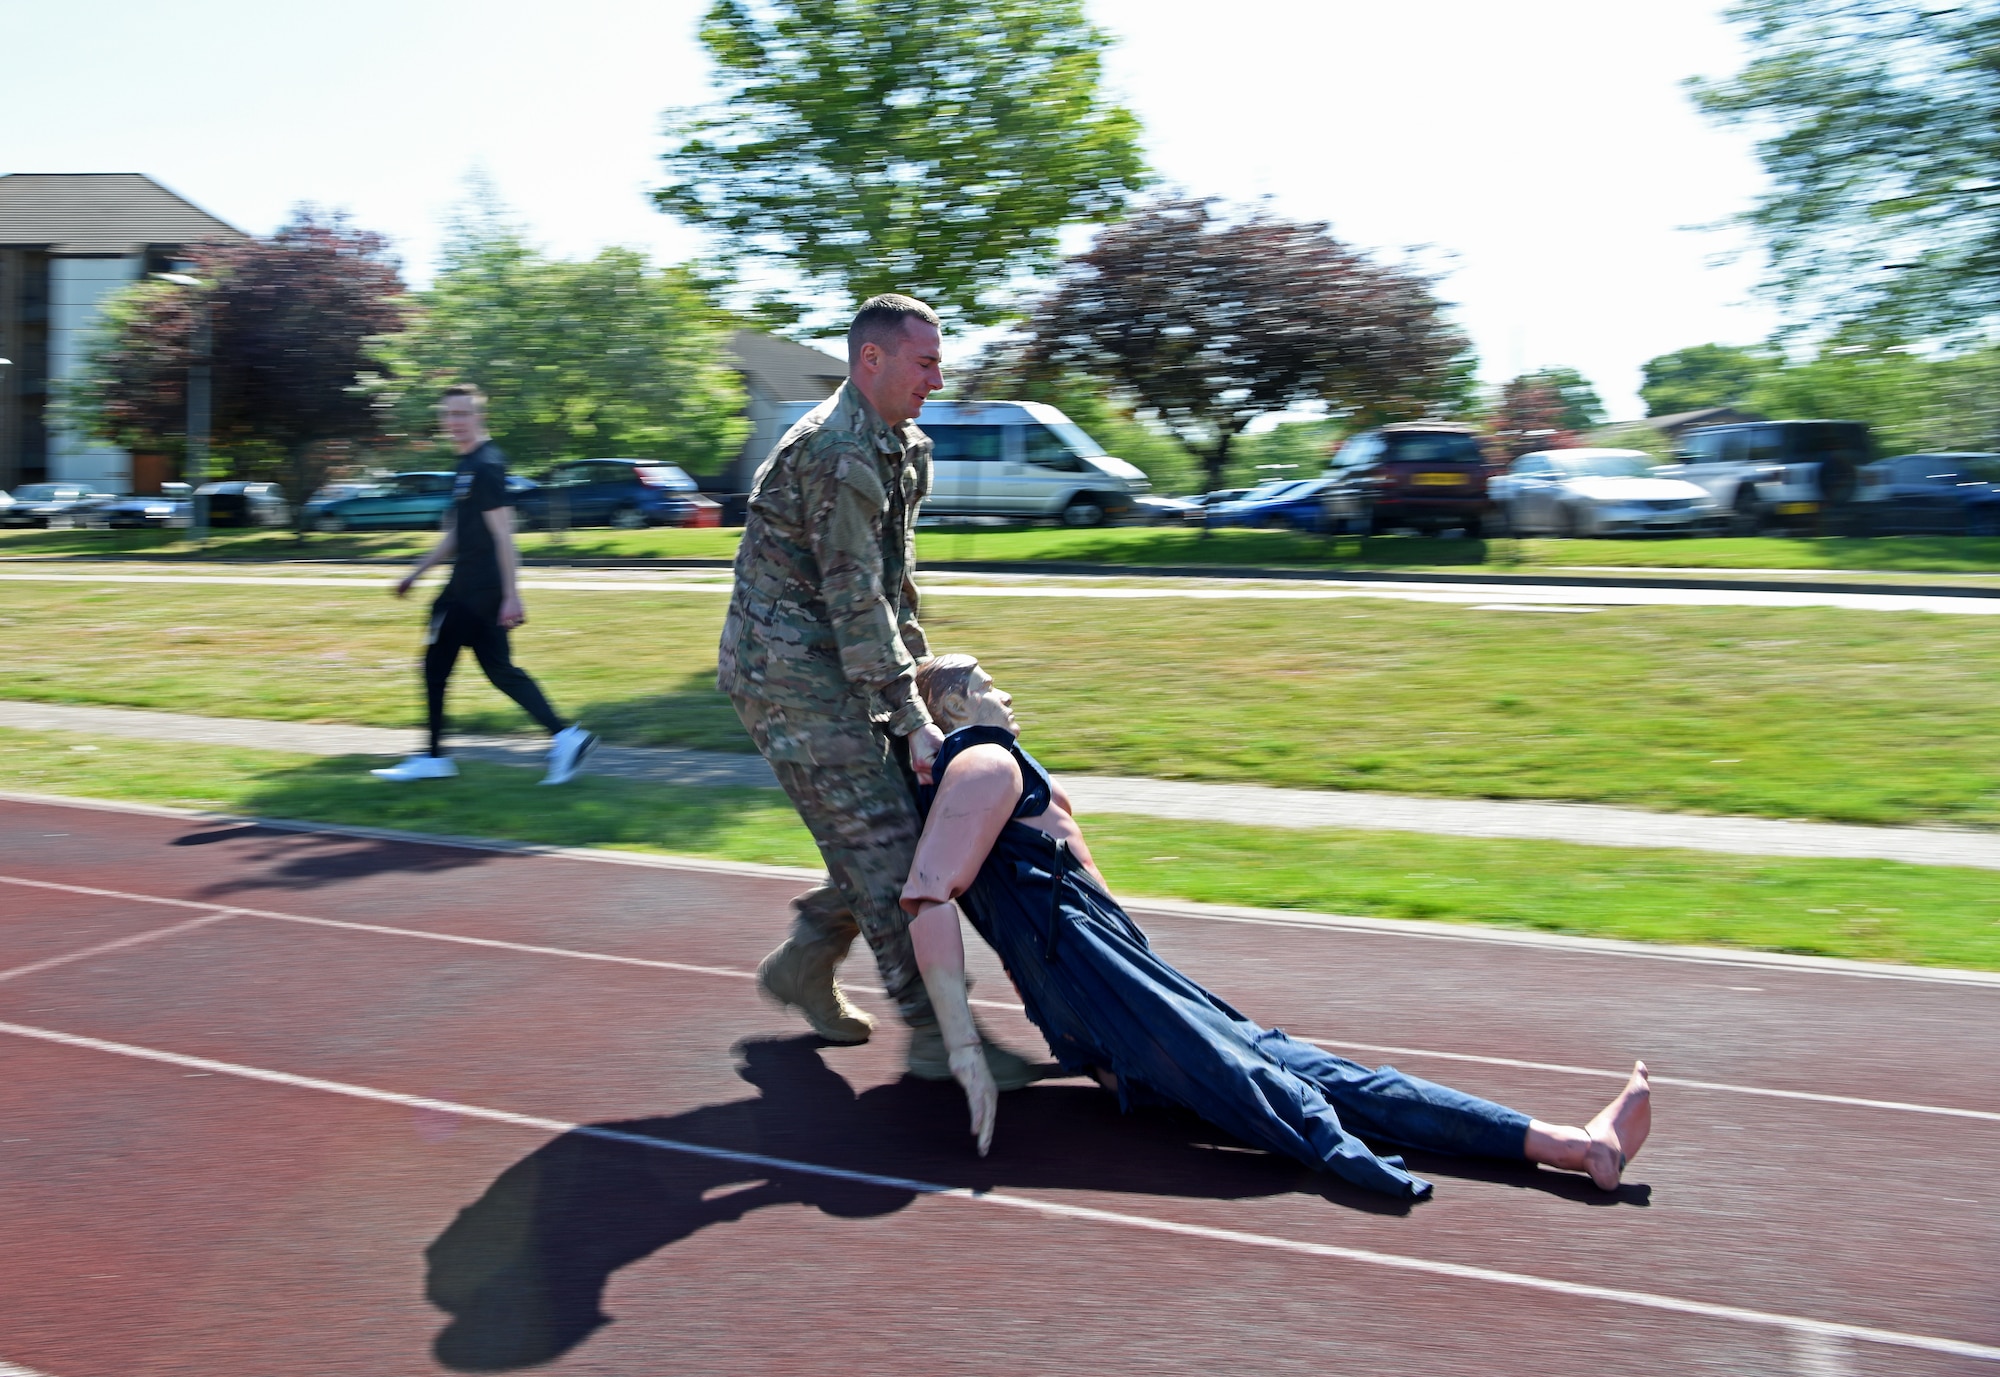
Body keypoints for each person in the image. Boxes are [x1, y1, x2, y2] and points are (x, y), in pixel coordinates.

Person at [900, 654, 1653, 1199]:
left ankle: (1571, 1143)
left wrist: (919, 742)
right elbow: (930, 896)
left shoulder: (976, 761)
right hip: (1106, 984)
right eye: (987, 684)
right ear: (959, 709)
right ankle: (1372, 1140)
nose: (1005, 691)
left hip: (1114, 981)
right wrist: (963, 1045)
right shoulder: (987, 761)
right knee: (1280, 1083)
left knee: (1321, 1075)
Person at [718, 295, 1045, 1088]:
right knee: (891, 845)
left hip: (845, 661)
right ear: (873, 359)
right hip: (786, 675)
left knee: (904, 826)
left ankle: (805, 957)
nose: (938, 377)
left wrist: (924, 687)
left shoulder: (903, 444)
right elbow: (853, 596)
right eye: (925, 362)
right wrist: (909, 719)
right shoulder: (834, 450)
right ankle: (938, 1033)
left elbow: (891, 587)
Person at [373, 383, 596, 787]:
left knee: (435, 666)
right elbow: (458, 534)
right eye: (448, 415)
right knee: (499, 670)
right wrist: (415, 572)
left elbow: (503, 535)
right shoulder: (468, 464)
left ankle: (434, 756)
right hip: (477, 588)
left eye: (462, 414)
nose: (454, 422)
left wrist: (512, 595)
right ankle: (566, 736)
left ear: (479, 416)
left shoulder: (486, 465)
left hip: (472, 591)